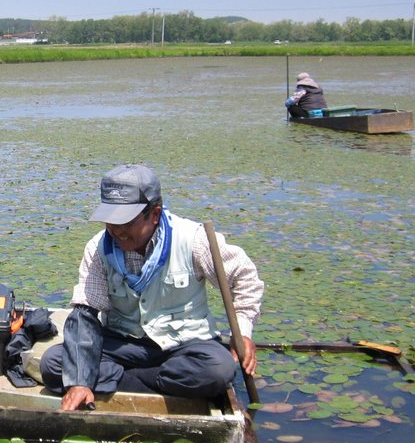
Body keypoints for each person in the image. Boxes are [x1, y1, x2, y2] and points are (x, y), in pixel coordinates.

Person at [40, 164, 263, 411]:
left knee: (218, 370)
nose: (117, 231)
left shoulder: (194, 240)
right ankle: (151, 381)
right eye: (110, 221)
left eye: (125, 221)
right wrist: (80, 380)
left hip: (182, 345)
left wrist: (242, 332)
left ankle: (117, 379)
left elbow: (245, 279)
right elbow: (85, 313)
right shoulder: (97, 249)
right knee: (54, 365)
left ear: (154, 214)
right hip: (124, 343)